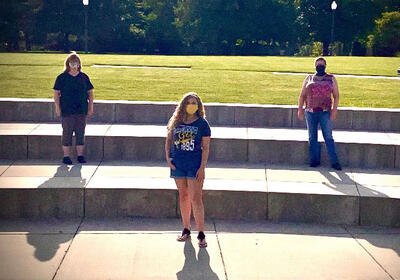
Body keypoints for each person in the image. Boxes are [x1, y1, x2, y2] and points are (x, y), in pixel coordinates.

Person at [165, 92, 211, 248]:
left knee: (196, 198)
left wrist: (202, 167)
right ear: (183, 104)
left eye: (194, 102)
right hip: (178, 164)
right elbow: (168, 140)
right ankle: (186, 228)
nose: (191, 105)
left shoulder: (202, 124)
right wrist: (168, 158)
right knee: (183, 195)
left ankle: (201, 233)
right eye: (189, 102)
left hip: (194, 165)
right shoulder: (176, 122)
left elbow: (205, 148)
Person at [297, 56, 342, 171]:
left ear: (325, 66)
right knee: (312, 137)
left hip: (325, 112)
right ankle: (314, 160)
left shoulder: (331, 79)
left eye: (322, 64)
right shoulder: (309, 78)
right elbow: (302, 95)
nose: (319, 67)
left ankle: (334, 162)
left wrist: (334, 110)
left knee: (328, 137)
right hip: (310, 112)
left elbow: (336, 96)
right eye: (318, 65)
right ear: (315, 66)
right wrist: (300, 109)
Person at [53, 52, 94, 164]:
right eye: (72, 62)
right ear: (68, 63)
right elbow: (56, 93)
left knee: (80, 132)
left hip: (81, 110)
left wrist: (90, 107)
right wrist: (57, 107)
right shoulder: (62, 77)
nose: (74, 64)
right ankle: (66, 156)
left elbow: (90, 93)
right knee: (67, 132)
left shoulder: (84, 77)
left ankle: (80, 155)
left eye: (76, 62)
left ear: (79, 63)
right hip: (67, 110)